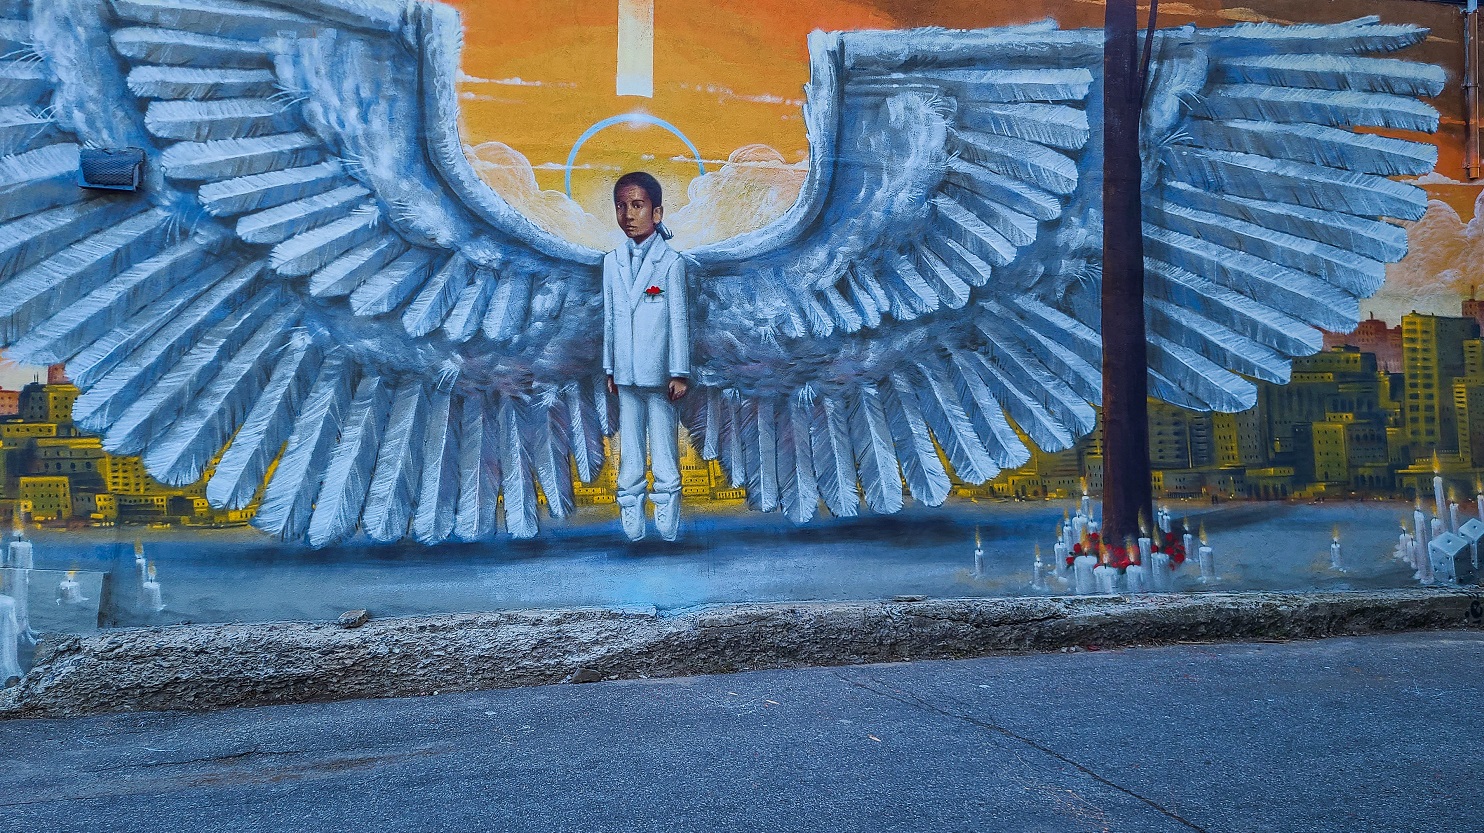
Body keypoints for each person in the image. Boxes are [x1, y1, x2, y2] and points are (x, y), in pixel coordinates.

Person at [603, 172, 690, 542]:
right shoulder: (611, 261)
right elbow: (609, 317)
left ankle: (668, 510)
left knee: (665, 448)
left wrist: (680, 371)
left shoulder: (671, 262)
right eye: (621, 206)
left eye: (637, 205)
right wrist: (609, 366)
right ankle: (631, 508)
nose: (628, 215)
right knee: (631, 451)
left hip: (660, 373)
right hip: (624, 370)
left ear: (657, 212)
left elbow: (679, 320)